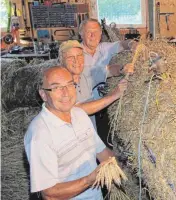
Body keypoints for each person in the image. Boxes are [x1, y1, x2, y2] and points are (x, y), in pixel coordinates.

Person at [24, 66, 115, 199]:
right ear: (43, 94)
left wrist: (126, 163)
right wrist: (90, 179)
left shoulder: (79, 114)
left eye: (70, 84)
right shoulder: (40, 134)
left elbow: (102, 153)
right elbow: (49, 194)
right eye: (56, 88)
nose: (66, 93)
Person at [58, 40, 128, 128]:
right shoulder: (58, 83)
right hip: (71, 137)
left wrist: (123, 68)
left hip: (90, 135)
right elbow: (78, 110)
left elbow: (108, 70)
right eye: (70, 57)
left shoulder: (86, 72)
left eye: (79, 56)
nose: (76, 61)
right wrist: (114, 95)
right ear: (61, 60)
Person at [79, 18, 135, 100]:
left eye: (96, 31)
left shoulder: (104, 48)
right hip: (83, 104)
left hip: (100, 103)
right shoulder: (75, 54)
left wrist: (133, 44)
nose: (93, 35)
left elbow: (122, 44)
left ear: (101, 33)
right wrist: (121, 69)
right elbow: (99, 71)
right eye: (89, 31)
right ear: (81, 33)